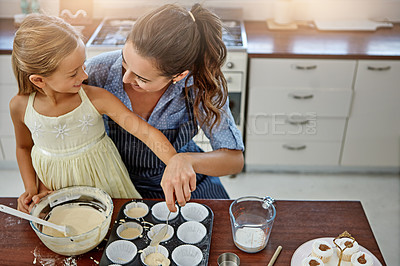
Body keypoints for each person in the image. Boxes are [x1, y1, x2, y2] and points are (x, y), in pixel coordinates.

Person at [10, 14, 178, 213]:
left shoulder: (96, 99)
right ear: (39, 80)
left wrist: (175, 163)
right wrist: (31, 188)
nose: (85, 75)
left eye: (83, 65)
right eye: (74, 73)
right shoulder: (20, 107)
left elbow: (146, 133)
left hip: (106, 183)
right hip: (55, 188)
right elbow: (23, 147)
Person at [85, 3, 244, 212]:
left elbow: (234, 160)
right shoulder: (96, 72)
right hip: (116, 183)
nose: (125, 77)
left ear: (179, 76)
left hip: (183, 182)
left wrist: (186, 161)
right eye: (125, 61)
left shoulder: (201, 85)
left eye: (141, 78)